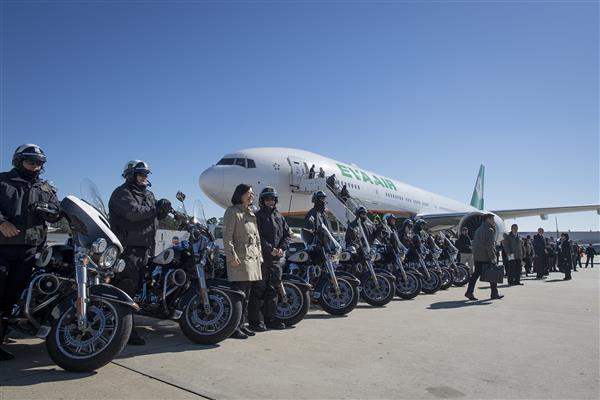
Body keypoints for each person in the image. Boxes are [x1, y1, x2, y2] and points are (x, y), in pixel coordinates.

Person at [0, 144, 61, 361]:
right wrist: (1, 222)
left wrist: (52, 213)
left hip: (30, 248)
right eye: (30, 162)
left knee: (13, 295)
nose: (34, 166)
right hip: (3, 247)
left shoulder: (46, 188)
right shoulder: (3, 181)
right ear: (18, 161)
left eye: (38, 163)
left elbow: (56, 212)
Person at [109, 160, 172, 345]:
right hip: (128, 248)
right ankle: (123, 330)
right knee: (126, 288)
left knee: (137, 289)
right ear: (130, 175)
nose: (145, 177)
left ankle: (128, 325)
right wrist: (155, 208)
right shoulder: (122, 193)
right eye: (141, 174)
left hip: (145, 248)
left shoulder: (149, 195)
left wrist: (163, 210)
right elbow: (133, 213)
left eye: (146, 174)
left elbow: (153, 215)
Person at [222, 184, 262, 339]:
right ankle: (233, 328)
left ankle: (242, 325)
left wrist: (260, 257)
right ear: (240, 194)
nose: (252, 196)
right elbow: (227, 237)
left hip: (252, 259)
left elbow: (257, 238)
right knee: (238, 295)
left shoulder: (251, 213)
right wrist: (231, 257)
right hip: (239, 259)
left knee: (247, 295)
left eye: (252, 194)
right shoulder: (233, 212)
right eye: (249, 193)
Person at [250, 187, 291, 331]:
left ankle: (270, 319)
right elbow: (256, 236)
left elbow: (287, 235)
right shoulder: (257, 216)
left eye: (273, 199)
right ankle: (255, 321)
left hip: (276, 261)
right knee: (258, 290)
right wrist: (270, 249)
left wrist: (282, 248)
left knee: (273, 290)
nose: (270, 201)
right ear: (262, 200)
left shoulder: (280, 216)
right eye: (267, 199)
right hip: (261, 259)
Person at [465, 213, 503, 300]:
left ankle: (469, 292)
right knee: (493, 274)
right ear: (488, 219)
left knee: (475, 275)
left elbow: (475, 243)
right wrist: (492, 257)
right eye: (492, 219)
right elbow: (489, 246)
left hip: (478, 256)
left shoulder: (479, 229)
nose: (493, 221)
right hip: (486, 256)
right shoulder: (489, 230)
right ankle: (494, 294)